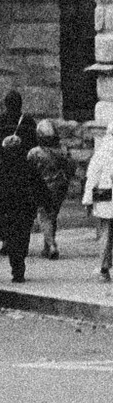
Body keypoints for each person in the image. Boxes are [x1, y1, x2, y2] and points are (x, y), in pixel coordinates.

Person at [0, 121, 37, 288]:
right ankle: (19, 266)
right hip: (24, 207)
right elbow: (38, 185)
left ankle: (16, 267)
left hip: (6, 208)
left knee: (11, 237)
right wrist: (45, 201)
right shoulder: (26, 165)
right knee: (22, 237)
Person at [31, 118, 71, 259]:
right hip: (60, 186)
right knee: (52, 216)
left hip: (43, 187)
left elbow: (29, 171)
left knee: (44, 216)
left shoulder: (35, 153)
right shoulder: (63, 151)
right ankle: (47, 246)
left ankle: (51, 244)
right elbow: (70, 168)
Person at [87, 111, 113, 282]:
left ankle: (104, 267)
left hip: (106, 199)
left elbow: (92, 176)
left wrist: (88, 199)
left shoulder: (103, 151)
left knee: (105, 234)